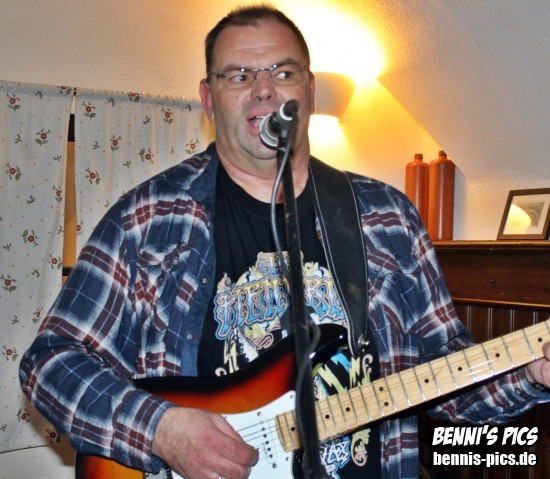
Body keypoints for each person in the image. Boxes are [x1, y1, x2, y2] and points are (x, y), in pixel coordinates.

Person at [19, 5, 550, 479]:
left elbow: (449, 382)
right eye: (239, 75)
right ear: (208, 99)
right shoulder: (148, 219)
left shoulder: (387, 218)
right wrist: (160, 430)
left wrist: (530, 370)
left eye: (283, 71)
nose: (264, 89)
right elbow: (50, 363)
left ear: (310, 92)